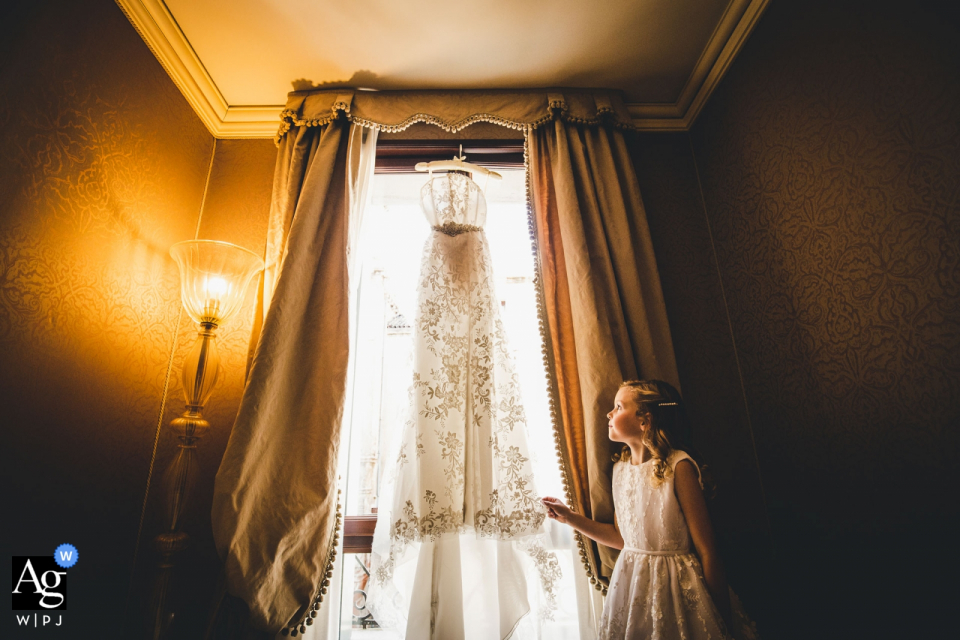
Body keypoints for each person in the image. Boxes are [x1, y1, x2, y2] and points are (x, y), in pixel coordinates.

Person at [542, 380, 759, 640]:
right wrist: (570, 518)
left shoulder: (679, 467)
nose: (609, 414)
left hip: (676, 588)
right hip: (632, 587)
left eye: (618, 407)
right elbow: (623, 540)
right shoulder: (619, 470)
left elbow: (707, 550)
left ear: (645, 420)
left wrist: (724, 624)